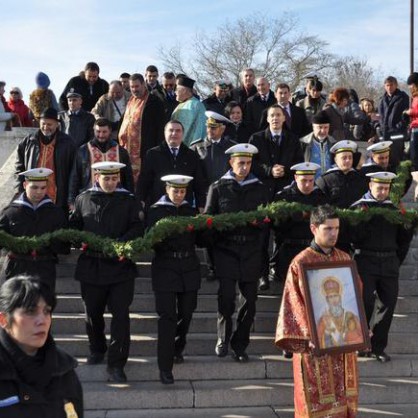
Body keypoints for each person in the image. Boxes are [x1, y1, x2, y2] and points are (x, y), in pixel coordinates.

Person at [275, 205, 360, 417]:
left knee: (344, 399)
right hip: (315, 344)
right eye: (328, 229)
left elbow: (354, 297)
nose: (334, 234)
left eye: (337, 228)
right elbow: (293, 304)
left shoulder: (344, 259)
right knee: (316, 402)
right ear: (314, 228)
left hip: (343, 344)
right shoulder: (301, 262)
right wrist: (308, 335)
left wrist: (360, 327)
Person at [69, 162, 143, 383]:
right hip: (92, 266)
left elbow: (138, 227)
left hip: (120, 267)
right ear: (97, 177)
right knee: (92, 313)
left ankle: (117, 363)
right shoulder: (84, 199)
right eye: (106, 178)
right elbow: (74, 227)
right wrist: (77, 239)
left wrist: (122, 243)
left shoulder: (129, 200)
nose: (110, 183)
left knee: (121, 316)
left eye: (114, 178)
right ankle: (97, 348)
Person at [205, 143, 268, 362]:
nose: (244, 167)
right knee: (227, 298)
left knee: (249, 303)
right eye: (240, 163)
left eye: (248, 163)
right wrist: (212, 259)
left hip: (250, 250)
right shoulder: (218, 187)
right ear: (231, 163)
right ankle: (223, 338)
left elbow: (266, 222)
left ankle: (240, 345)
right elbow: (209, 220)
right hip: (226, 249)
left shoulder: (259, 188)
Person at [350, 172, 413, 362]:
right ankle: (361, 343)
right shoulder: (359, 208)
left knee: (388, 304)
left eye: (386, 188)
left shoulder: (395, 209)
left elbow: (404, 239)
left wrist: (395, 260)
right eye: (380, 188)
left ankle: (378, 347)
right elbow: (351, 237)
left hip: (388, 263)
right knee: (365, 303)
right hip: (365, 261)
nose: (383, 192)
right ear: (370, 186)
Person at [0, 276, 83, 418]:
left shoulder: (64, 369)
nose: (42, 320)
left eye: (47, 311)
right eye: (31, 311)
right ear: (4, 320)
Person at [147, 175, 201, 384]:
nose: (179, 195)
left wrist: (205, 224)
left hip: (188, 266)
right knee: (167, 318)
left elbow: (201, 239)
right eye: (175, 191)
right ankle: (165, 367)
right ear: (167, 190)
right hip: (165, 267)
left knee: (186, 313)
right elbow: (150, 239)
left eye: (182, 191)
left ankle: (178, 347)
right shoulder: (156, 211)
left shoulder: (191, 211)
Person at [0, 168, 68, 291]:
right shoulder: (10, 212)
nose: (39, 192)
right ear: (25, 185)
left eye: (43, 188)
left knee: (43, 306)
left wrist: (52, 243)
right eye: (34, 187)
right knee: (16, 306)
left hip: (44, 267)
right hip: (17, 267)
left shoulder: (56, 213)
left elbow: (64, 245)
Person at [270, 163, 328, 286]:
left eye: (311, 181)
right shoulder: (284, 197)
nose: (307, 185)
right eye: (303, 181)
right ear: (296, 178)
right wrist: (295, 216)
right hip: (289, 249)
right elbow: (276, 225)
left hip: (313, 250)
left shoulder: (320, 197)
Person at [136, 120, 208, 212]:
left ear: (182, 134)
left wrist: (201, 206)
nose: (174, 133)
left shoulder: (191, 155)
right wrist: (140, 205)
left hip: (184, 209)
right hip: (158, 209)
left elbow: (199, 184)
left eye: (178, 131)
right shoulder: (153, 154)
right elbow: (143, 181)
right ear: (165, 133)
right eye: (171, 130)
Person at [14, 107, 76, 212]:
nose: (46, 127)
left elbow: (74, 172)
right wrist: (19, 190)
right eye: (43, 124)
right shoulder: (29, 141)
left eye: (49, 124)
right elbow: (19, 168)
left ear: (57, 124)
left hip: (57, 195)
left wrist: (71, 197)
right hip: (31, 193)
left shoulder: (68, 143)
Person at [68, 117, 134, 206]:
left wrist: (131, 198)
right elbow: (75, 177)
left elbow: (128, 177)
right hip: (90, 200)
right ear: (93, 130)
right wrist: (71, 201)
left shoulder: (121, 151)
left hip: (117, 200)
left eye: (104, 132)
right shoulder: (82, 151)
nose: (101, 135)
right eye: (98, 131)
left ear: (110, 131)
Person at [118, 73, 165, 185]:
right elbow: (122, 122)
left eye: (136, 86)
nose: (134, 89)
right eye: (132, 87)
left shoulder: (154, 102)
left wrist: (158, 150)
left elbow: (160, 128)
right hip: (128, 150)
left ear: (143, 84)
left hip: (146, 151)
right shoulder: (131, 101)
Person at [316, 276, 363, 348]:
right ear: (327, 300)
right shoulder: (324, 319)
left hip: (347, 354)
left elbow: (360, 338)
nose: (334, 299)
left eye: (335, 296)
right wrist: (327, 333)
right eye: (330, 297)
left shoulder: (350, 316)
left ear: (340, 297)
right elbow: (318, 342)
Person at [190, 111, 236, 184]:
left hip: (224, 190)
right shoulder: (196, 147)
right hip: (204, 192)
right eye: (208, 127)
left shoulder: (232, 147)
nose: (209, 130)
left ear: (222, 129)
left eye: (213, 128)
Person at [378, 76, 410, 167]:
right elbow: (379, 116)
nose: (389, 87)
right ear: (384, 86)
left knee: (397, 162)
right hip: (384, 136)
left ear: (396, 85)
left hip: (397, 136)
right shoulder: (382, 99)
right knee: (385, 163)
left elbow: (407, 116)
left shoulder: (403, 98)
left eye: (391, 85)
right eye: (387, 85)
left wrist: (398, 127)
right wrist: (378, 127)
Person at [171, 75, 207, 147]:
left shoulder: (197, 105)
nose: (175, 92)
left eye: (177, 89)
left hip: (190, 150)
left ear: (184, 90)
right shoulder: (180, 105)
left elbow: (200, 131)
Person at [299, 110, 336, 178]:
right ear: (313, 127)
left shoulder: (334, 143)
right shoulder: (303, 143)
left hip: (329, 182)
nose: (323, 131)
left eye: (326, 127)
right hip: (310, 182)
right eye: (320, 127)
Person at [404, 72, 418, 171]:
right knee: (413, 157)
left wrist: (410, 112)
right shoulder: (414, 98)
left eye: (411, 85)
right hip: (414, 128)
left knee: (415, 157)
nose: (410, 87)